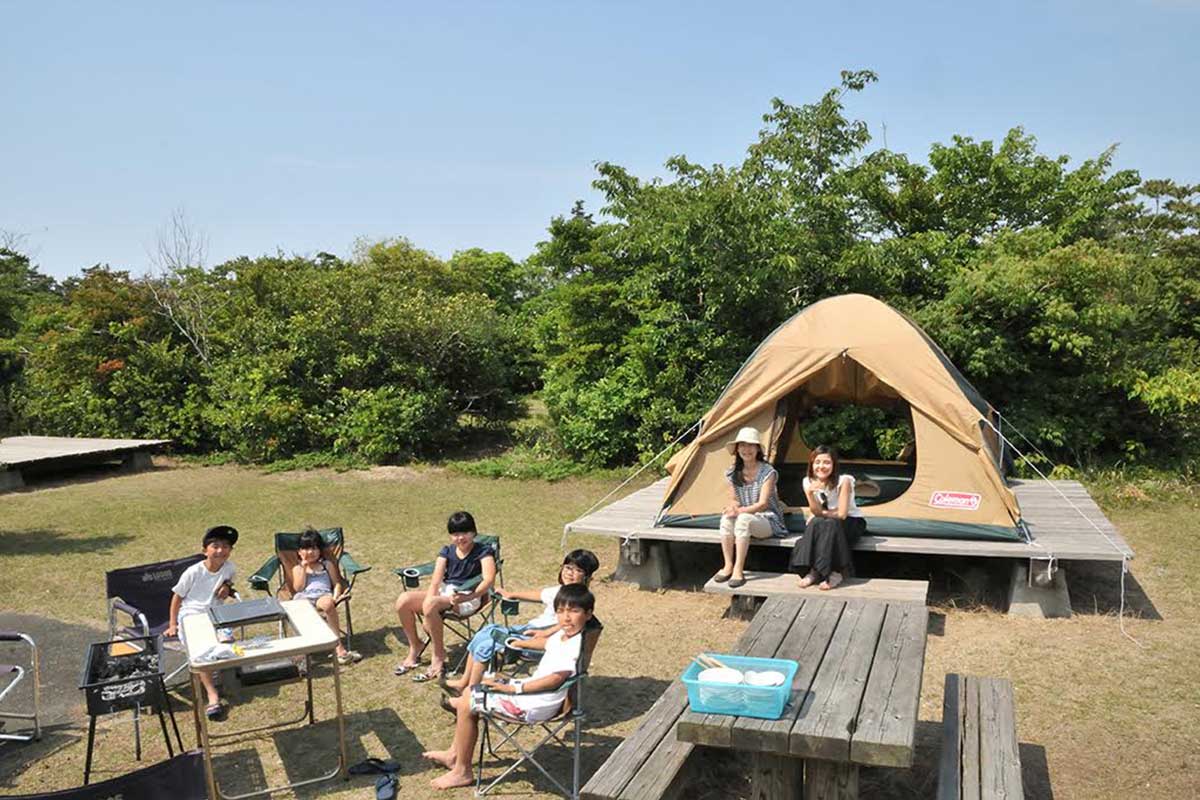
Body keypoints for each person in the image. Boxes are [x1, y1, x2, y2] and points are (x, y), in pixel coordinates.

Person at [422, 583, 595, 791]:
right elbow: (547, 644)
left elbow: (555, 679)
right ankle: (454, 755)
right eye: (560, 611)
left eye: (574, 611)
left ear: (588, 613)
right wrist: (518, 642)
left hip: (536, 702)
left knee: (469, 701)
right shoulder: (567, 634)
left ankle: (462, 771)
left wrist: (514, 689)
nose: (566, 618)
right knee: (472, 691)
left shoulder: (574, 646)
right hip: (533, 694)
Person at [442, 548, 600, 697]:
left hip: (539, 639)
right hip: (532, 629)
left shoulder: (581, 599)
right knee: (486, 631)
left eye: (578, 570)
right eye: (568, 568)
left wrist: (545, 633)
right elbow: (539, 595)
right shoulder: (561, 590)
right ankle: (463, 682)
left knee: (485, 645)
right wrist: (511, 594)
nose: (570, 573)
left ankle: (470, 693)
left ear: (587, 577)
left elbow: (569, 626)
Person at [394, 511, 497, 682]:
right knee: (403, 600)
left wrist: (470, 595)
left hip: (467, 596)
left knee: (432, 604)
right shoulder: (447, 551)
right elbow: (436, 581)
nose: (460, 538)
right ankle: (415, 646)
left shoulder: (483, 551)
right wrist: (430, 599)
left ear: (474, 532)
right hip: (444, 594)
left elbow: (489, 579)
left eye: (465, 532)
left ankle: (438, 656)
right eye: (455, 534)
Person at [165, 524, 239, 720]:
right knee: (201, 651)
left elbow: (228, 580)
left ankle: (226, 681)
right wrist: (173, 624)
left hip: (216, 614)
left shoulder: (230, 567)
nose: (220, 550)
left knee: (229, 644)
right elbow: (177, 597)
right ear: (204, 550)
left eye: (225, 546)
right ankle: (212, 694)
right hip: (192, 616)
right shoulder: (193, 572)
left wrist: (227, 585)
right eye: (215, 546)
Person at [713, 426, 787, 588]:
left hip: (768, 520)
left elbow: (763, 504)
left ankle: (739, 569)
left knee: (743, 519)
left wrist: (739, 511)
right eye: (742, 445)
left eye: (751, 445)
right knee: (726, 518)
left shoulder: (768, 472)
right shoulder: (733, 472)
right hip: (744, 517)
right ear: (737, 449)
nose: (746, 450)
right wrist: (732, 507)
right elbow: (733, 498)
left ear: (758, 449)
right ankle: (728, 565)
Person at [789, 445, 866, 590]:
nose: (821, 466)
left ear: (834, 465)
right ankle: (813, 572)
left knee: (828, 523)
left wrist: (821, 514)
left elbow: (842, 514)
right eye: (817, 462)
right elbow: (816, 511)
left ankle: (836, 572)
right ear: (812, 464)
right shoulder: (808, 481)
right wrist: (810, 494)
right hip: (827, 522)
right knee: (818, 522)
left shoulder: (844, 481)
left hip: (851, 522)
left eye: (826, 462)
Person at [289, 527, 361, 665]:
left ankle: (338, 646)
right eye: (306, 549)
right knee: (299, 609)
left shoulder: (326, 565)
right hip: (303, 596)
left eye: (314, 548)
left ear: (320, 551)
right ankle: (302, 650)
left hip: (323, 594)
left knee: (328, 604)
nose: (310, 552)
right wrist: (303, 568)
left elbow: (337, 583)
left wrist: (335, 597)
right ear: (299, 552)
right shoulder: (297, 569)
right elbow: (298, 588)